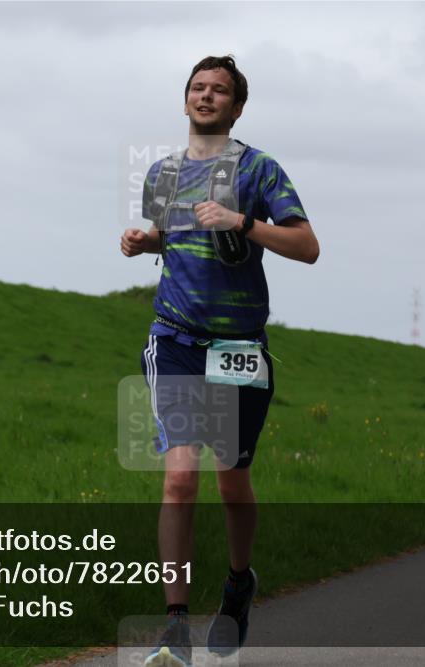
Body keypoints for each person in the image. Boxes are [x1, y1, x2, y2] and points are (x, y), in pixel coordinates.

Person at [121, 55, 319, 666]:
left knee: (233, 482)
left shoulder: (259, 168)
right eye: (198, 88)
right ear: (185, 101)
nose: (207, 97)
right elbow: (169, 236)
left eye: (220, 91)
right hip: (177, 338)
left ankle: (238, 585)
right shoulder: (162, 173)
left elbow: (307, 247)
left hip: (238, 349)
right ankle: (175, 623)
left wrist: (243, 220)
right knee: (180, 478)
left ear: (236, 107)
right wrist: (143, 240)